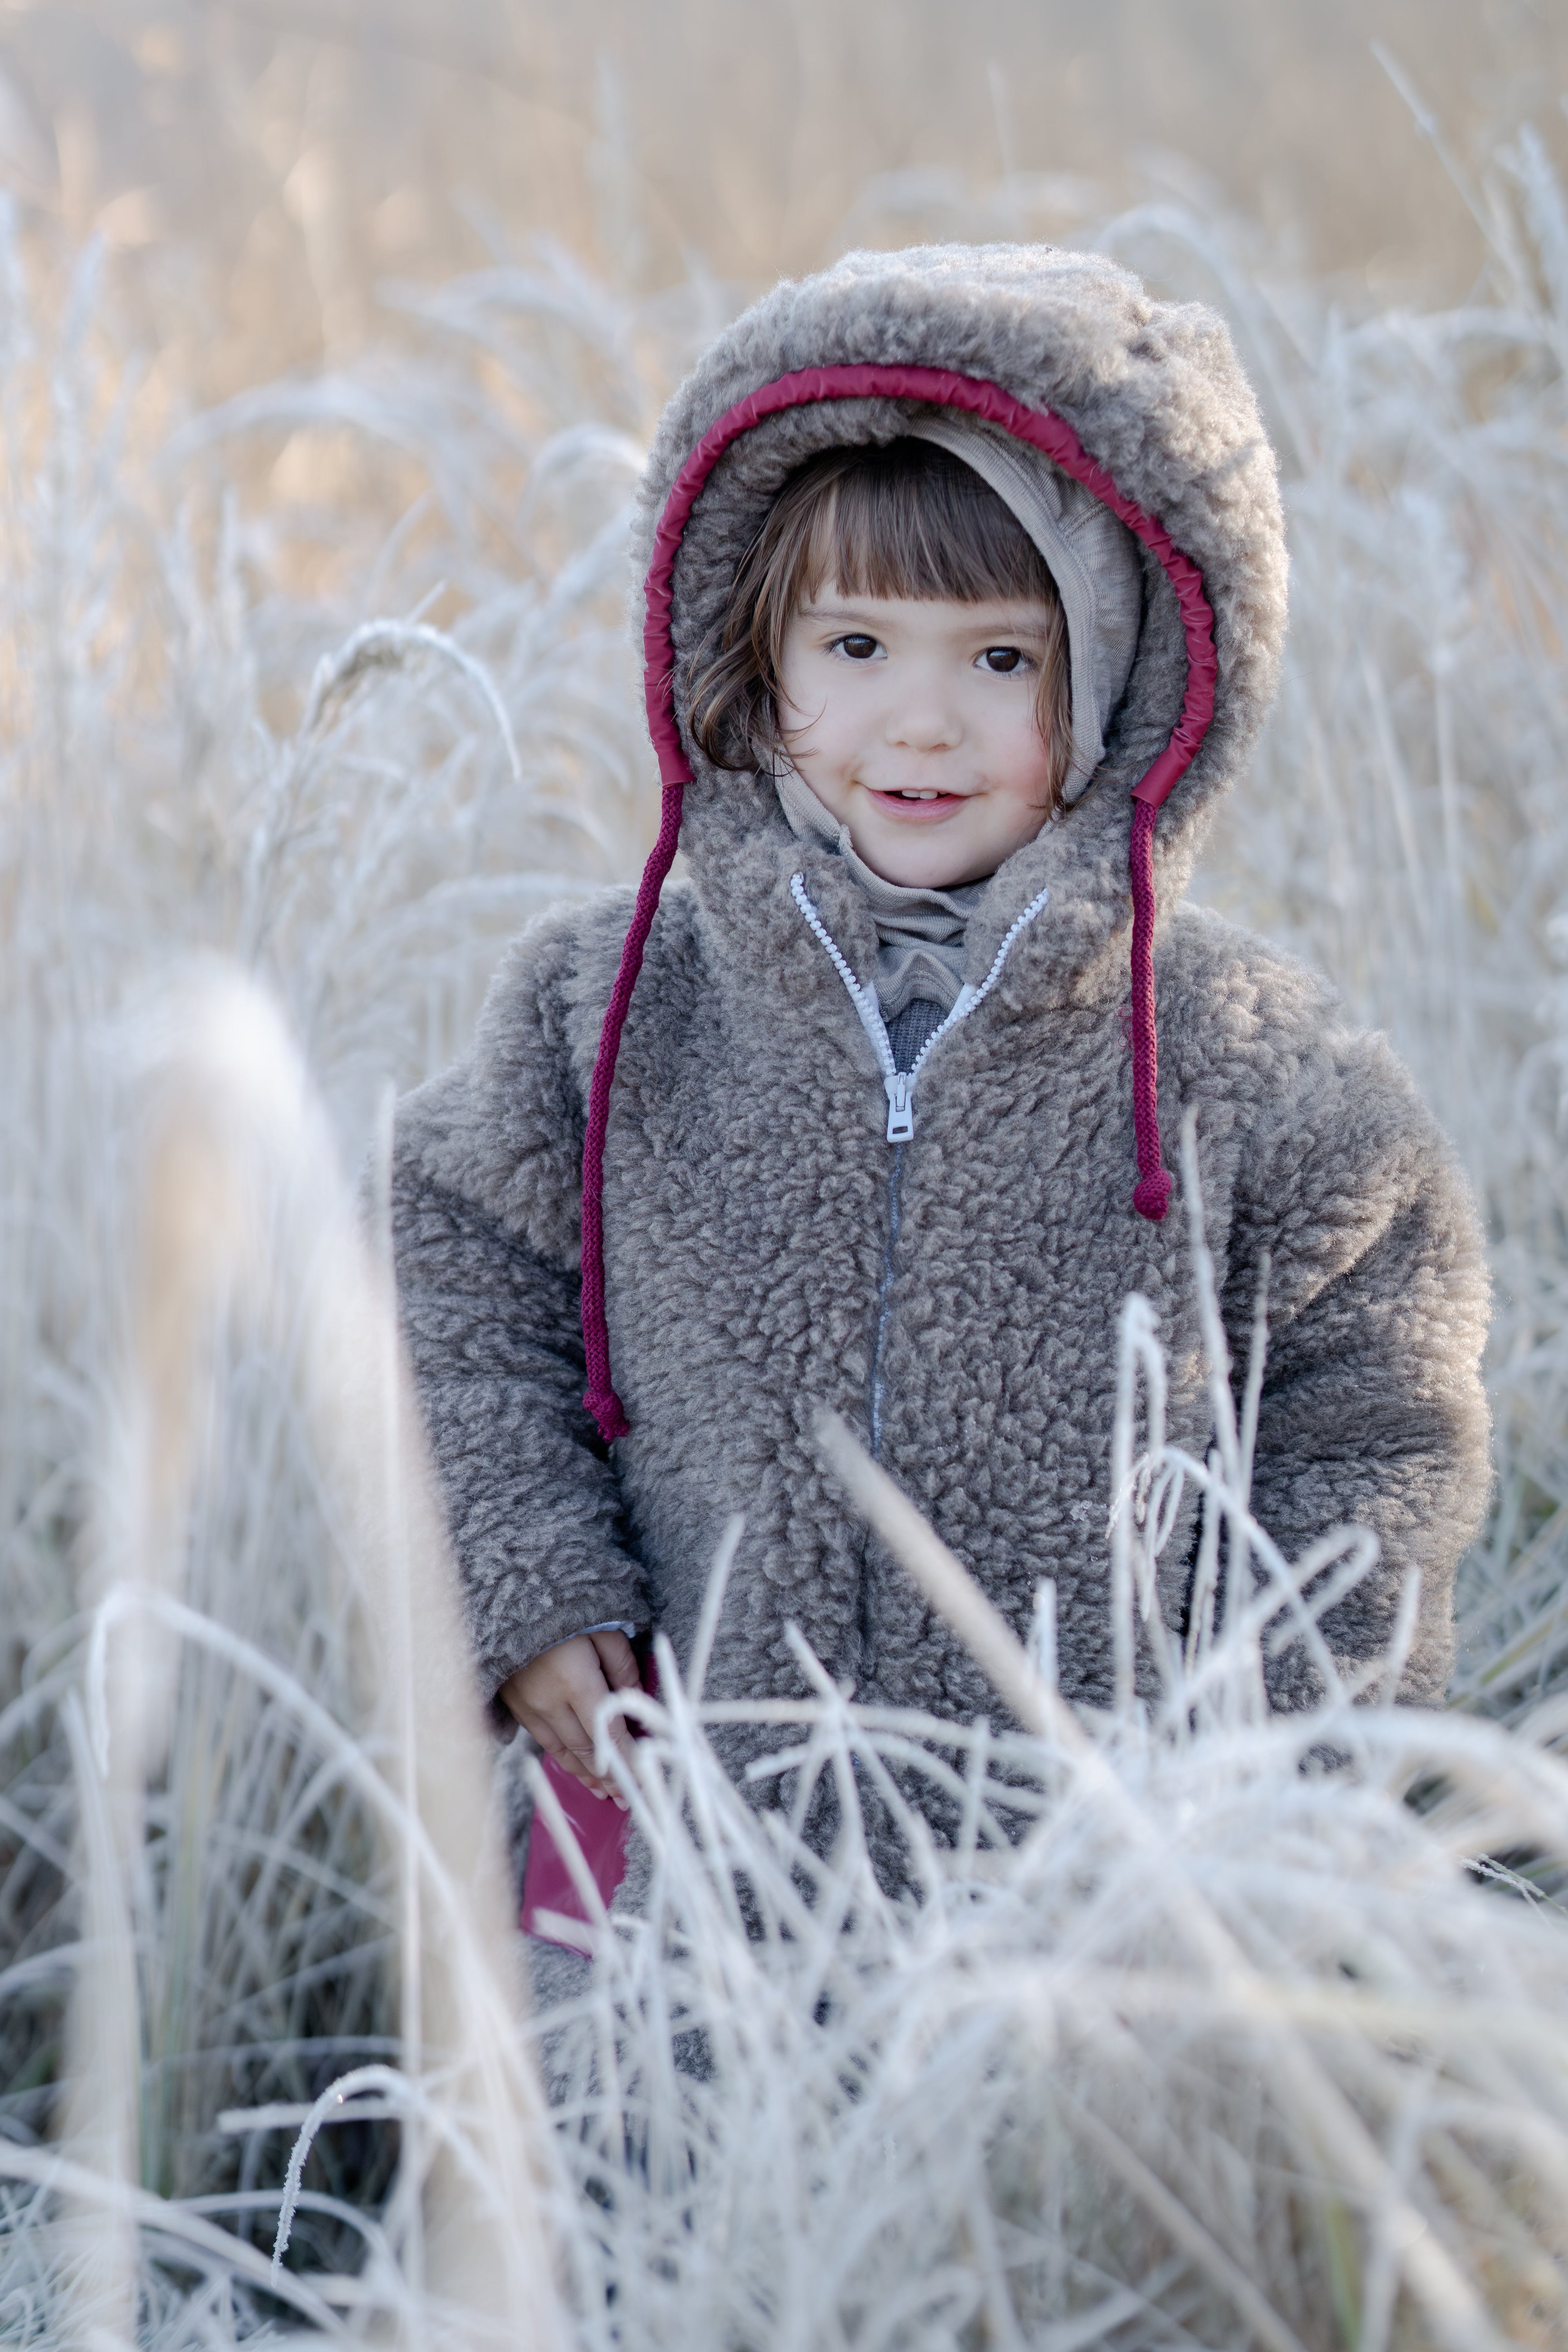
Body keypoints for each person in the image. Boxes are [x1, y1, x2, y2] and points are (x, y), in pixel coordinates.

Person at [390, 243, 1490, 1937]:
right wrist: (532, 1582)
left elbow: (1376, 1433)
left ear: (1120, 685)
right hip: (690, 1870)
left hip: (1095, 1921)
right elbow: (456, 1292)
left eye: (1002, 661)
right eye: (854, 644)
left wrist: (1272, 1772)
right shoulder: (604, 1012)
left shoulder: (1262, 1072)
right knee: (668, 2193)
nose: (922, 722)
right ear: (755, 669)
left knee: (1027, 2206)